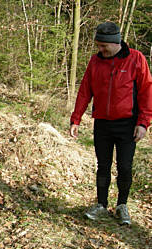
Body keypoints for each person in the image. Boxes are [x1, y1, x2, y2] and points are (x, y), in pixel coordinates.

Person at [69, 22, 152, 225]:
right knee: (102, 166)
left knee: (124, 166)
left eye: (103, 46)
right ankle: (101, 204)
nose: (100, 50)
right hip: (102, 124)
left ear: (115, 43)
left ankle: (122, 205)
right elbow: (85, 90)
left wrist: (143, 123)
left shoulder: (136, 59)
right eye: (98, 45)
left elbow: (146, 91)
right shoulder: (95, 62)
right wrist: (76, 119)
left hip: (128, 124)